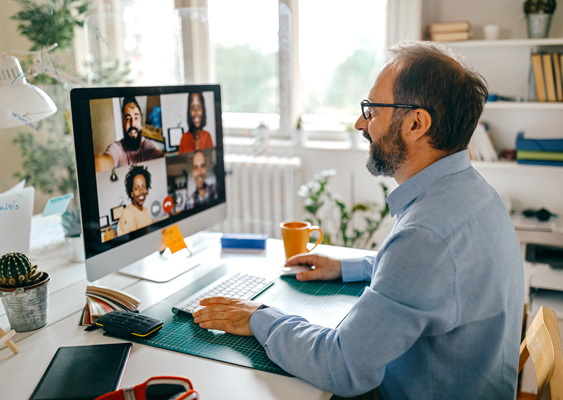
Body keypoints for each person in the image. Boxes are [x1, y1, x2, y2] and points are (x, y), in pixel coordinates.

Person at [192, 41, 524, 399]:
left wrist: (259, 317)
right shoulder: (474, 193)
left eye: (372, 111)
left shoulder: (426, 236)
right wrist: (346, 267)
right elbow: (434, 277)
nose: (360, 123)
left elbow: (342, 366)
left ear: (416, 123)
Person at [96, 97, 163, 172]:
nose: (132, 123)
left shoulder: (148, 145)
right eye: (128, 119)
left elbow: (158, 156)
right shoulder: (117, 149)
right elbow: (104, 162)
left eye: (136, 118)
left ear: (140, 122)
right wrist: (98, 163)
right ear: (122, 124)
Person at [117, 165, 153, 236]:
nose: (141, 191)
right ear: (132, 193)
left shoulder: (146, 211)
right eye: (136, 188)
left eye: (143, 186)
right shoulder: (128, 213)